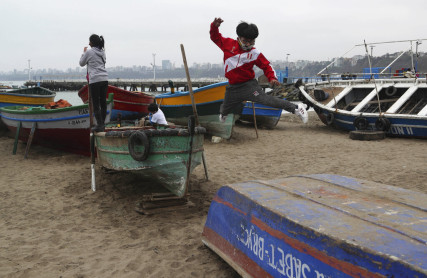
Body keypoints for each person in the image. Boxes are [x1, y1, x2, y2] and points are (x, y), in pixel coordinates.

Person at [210, 17, 308, 124]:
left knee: (266, 100)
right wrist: (214, 26)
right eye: (245, 41)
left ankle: (297, 108)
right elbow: (215, 37)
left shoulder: (255, 53)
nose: (248, 44)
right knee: (223, 111)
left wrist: (272, 78)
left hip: (249, 86)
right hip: (233, 88)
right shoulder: (228, 44)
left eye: (251, 42)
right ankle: (224, 119)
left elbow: (267, 66)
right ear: (238, 38)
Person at [79, 34, 108, 132]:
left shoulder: (89, 52)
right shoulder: (102, 52)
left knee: (96, 104)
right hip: (104, 78)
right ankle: (102, 124)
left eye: (90, 41)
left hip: (95, 79)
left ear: (92, 42)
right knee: (103, 102)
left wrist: (83, 52)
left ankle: (100, 125)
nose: (88, 43)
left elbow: (81, 63)